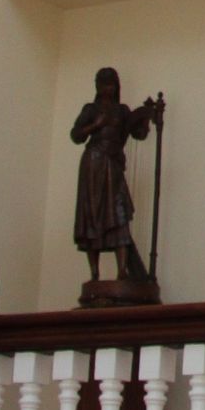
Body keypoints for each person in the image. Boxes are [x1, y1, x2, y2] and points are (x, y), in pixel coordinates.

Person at [70, 67, 160, 292]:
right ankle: (94, 273)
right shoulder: (91, 109)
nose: (107, 88)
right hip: (94, 163)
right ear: (98, 86)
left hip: (113, 164)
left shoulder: (122, 111)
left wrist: (147, 119)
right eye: (103, 84)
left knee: (120, 214)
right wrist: (96, 125)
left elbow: (138, 134)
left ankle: (122, 271)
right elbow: (76, 135)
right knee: (93, 215)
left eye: (111, 84)